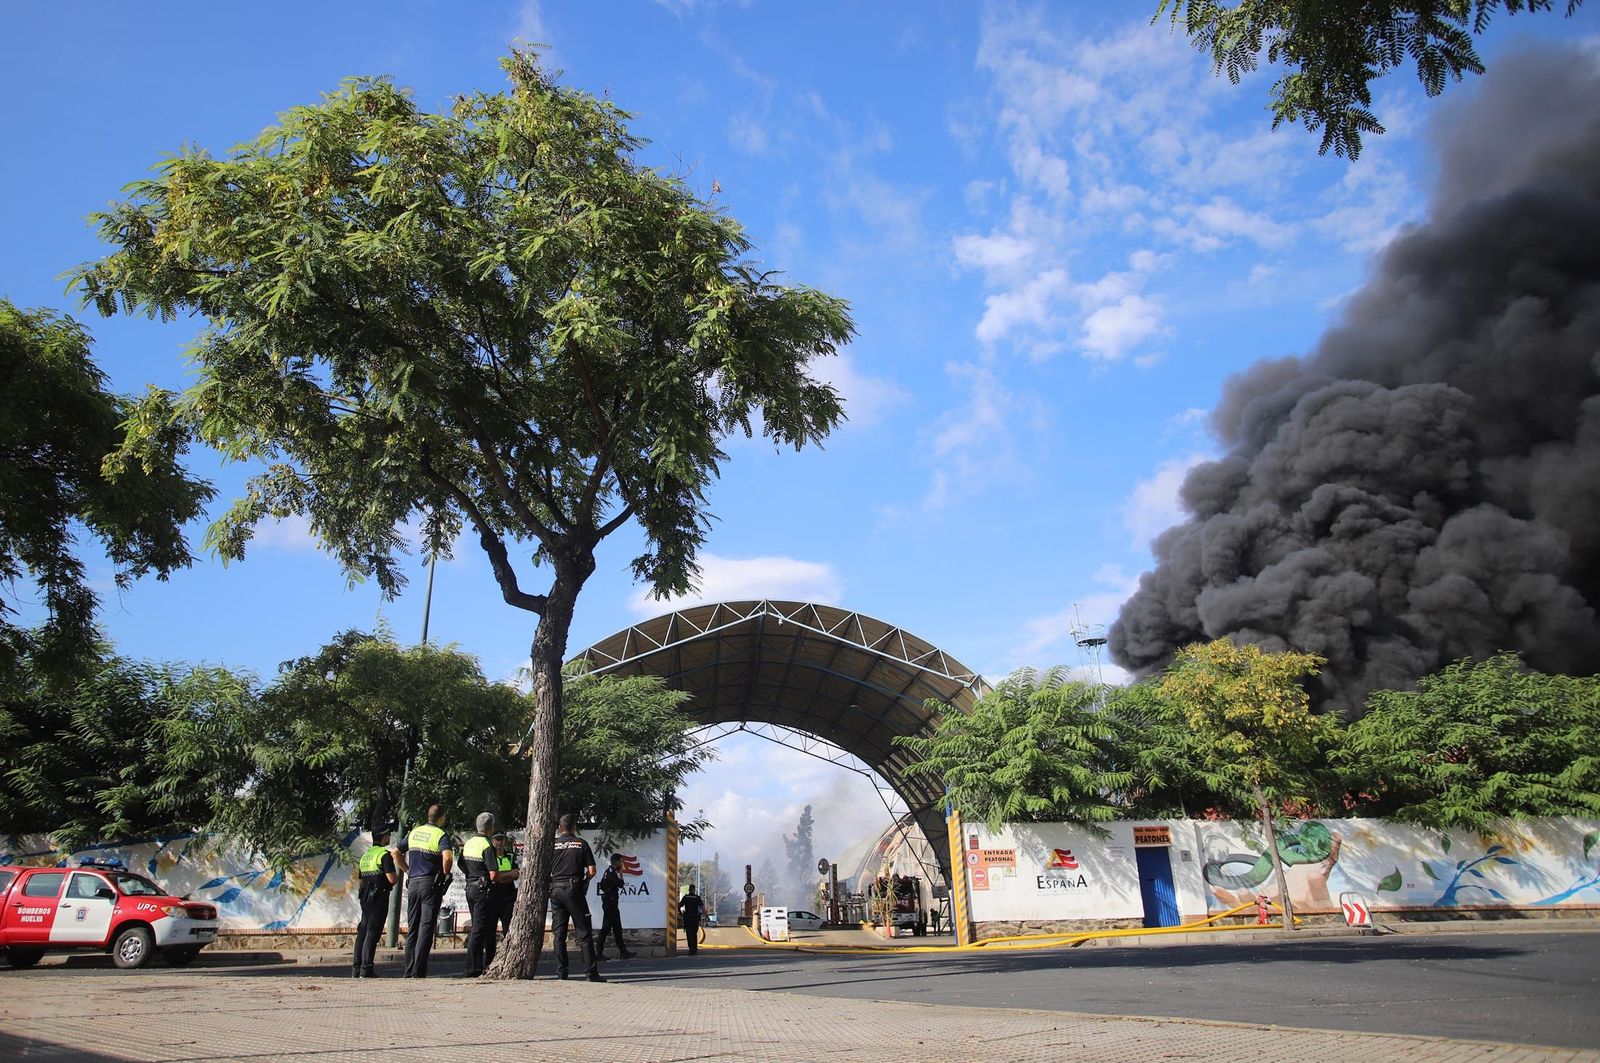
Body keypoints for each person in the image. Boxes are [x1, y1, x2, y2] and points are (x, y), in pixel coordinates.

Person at [549, 813, 604, 982]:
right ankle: (591, 974)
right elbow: (592, 871)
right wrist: (584, 882)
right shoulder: (581, 844)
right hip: (574, 890)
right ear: (574, 828)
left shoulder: (552, 845)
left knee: (559, 935)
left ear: (560, 828)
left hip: (556, 890)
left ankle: (561, 974)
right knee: (584, 933)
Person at [401, 804, 453, 978]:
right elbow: (447, 857)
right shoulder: (440, 835)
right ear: (441, 818)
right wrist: (445, 873)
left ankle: (408, 971)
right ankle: (419, 971)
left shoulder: (414, 833)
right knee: (426, 928)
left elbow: (395, 853)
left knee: (413, 928)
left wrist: (407, 870)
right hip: (430, 884)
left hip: (413, 883)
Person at [352, 822, 399, 978]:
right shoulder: (384, 855)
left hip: (365, 896)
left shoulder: (365, 856)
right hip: (379, 897)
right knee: (372, 932)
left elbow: (361, 881)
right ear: (383, 837)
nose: (389, 837)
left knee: (363, 930)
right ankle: (367, 968)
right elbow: (392, 879)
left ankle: (356, 968)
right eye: (388, 835)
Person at [460, 811, 499, 977]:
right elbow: (493, 874)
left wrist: (472, 875)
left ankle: (480, 964)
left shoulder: (468, 843)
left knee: (480, 927)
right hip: (482, 890)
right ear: (491, 828)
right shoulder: (487, 845)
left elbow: (461, 864)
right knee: (479, 928)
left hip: (470, 887)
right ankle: (472, 968)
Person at [594, 853, 634, 961]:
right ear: (617, 862)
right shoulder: (612, 873)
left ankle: (623, 952)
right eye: (621, 862)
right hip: (610, 904)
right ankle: (598, 953)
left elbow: (602, 885)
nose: (622, 864)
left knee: (617, 928)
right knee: (605, 928)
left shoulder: (608, 871)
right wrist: (621, 874)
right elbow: (620, 884)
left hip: (611, 903)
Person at [490, 832, 519, 939]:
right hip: (493, 894)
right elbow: (491, 877)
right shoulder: (490, 856)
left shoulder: (510, 855)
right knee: (490, 926)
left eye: (501, 839)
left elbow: (516, 874)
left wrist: (499, 877)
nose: (499, 842)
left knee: (508, 925)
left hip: (508, 895)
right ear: (492, 841)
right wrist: (508, 875)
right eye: (497, 839)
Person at [678, 885, 704, 955]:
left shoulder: (686, 897)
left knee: (689, 934)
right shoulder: (697, 898)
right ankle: (695, 949)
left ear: (689, 890)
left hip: (687, 918)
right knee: (694, 934)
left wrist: (680, 913)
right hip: (695, 918)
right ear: (694, 890)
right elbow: (702, 907)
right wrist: (707, 916)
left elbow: (679, 905)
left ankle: (691, 949)